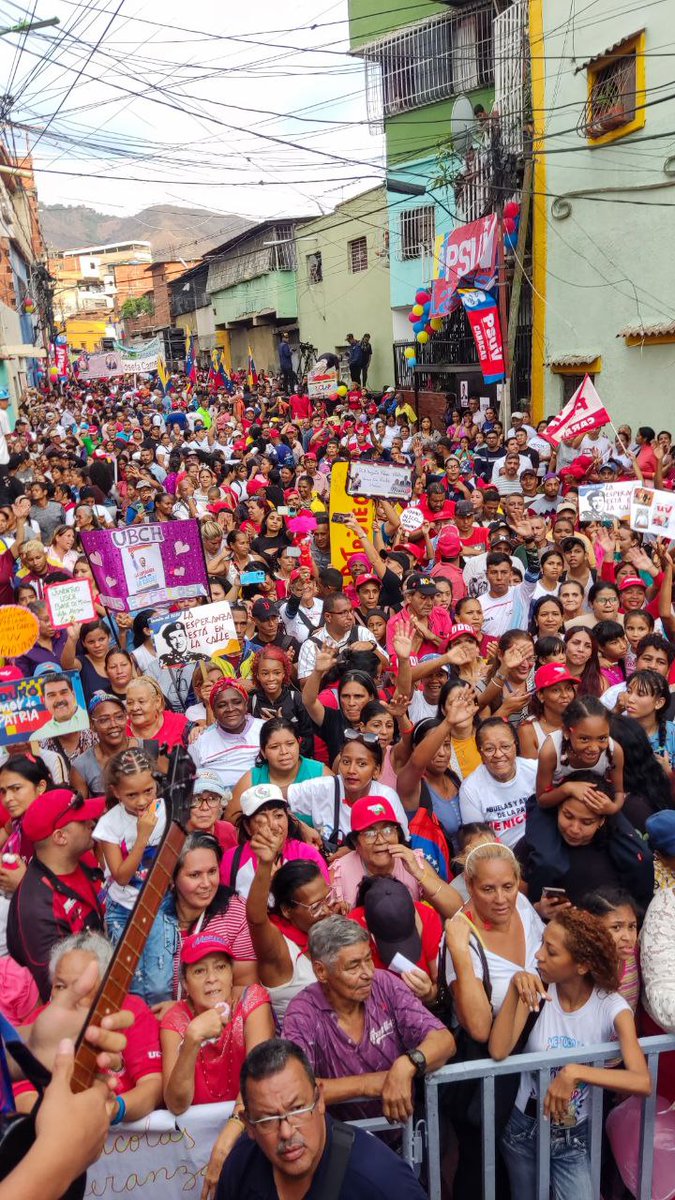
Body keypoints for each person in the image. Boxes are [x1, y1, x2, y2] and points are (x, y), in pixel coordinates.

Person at [490, 908, 650, 1200]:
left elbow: (641, 1081)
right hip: (522, 1127)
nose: (538, 956)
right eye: (541, 944)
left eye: (550, 951)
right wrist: (515, 989)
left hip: (573, 1134)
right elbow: (499, 1050)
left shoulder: (610, 1006)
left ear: (581, 966)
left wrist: (574, 1072)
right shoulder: (536, 990)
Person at [282, 915, 455, 1120]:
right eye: (354, 966)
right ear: (321, 971)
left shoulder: (384, 984)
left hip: (407, 1133)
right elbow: (295, 1089)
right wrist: (367, 1084)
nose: (368, 973)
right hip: (344, 1142)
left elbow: (444, 1041)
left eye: (368, 959)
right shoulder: (302, 1013)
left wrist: (405, 1065)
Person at [215, 1038, 430, 1200]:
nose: (286, 1132)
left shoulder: (381, 1179)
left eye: (298, 1109)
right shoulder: (242, 1164)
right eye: (267, 1120)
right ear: (249, 1125)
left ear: (319, 1100)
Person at [93, 748, 175, 1004]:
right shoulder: (109, 824)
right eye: (131, 794)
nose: (141, 801)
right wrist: (141, 837)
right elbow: (121, 876)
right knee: (132, 986)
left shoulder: (166, 809)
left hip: (158, 904)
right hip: (123, 909)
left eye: (148, 791)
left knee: (160, 986)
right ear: (116, 792)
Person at [7, 788, 105, 999]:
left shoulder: (81, 865)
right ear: (60, 837)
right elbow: (60, 994)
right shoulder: (38, 908)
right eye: (82, 821)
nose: (91, 822)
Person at [160, 932, 274, 1111]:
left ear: (231, 974)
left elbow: (260, 1078)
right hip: (197, 1133)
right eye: (199, 971)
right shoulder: (175, 1020)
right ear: (185, 984)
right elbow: (176, 1105)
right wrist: (193, 1037)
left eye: (220, 967)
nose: (212, 979)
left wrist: (230, 1133)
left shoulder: (252, 999)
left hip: (249, 1120)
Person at [330, 794, 460, 917]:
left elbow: (457, 910)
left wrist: (420, 874)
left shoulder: (412, 861)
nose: (381, 840)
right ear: (355, 841)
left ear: (398, 834)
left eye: (387, 830)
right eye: (370, 833)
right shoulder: (339, 872)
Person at [168, 832, 257, 994]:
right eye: (195, 875)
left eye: (212, 872)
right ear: (172, 878)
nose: (207, 884)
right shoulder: (152, 919)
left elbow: (244, 990)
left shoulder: (236, 914)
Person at [220, 783, 328, 897]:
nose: (273, 825)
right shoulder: (231, 859)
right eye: (262, 818)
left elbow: (324, 903)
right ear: (247, 827)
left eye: (278, 815)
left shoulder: (307, 855)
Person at [458, 718, 537, 848]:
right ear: (480, 751)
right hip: (501, 855)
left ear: (515, 745)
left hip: (536, 845)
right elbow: (477, 842)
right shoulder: (470, 788)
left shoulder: (534, 770)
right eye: (489, 749)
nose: (499, 754)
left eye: (505, 747)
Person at [189, 678, 264, 789]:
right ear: (213, 710)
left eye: (236, 702)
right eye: (222, 705)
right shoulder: (199, 740)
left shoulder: (264, 730)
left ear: (246, 704)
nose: (230, 709)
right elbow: (190, 780)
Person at [125, 676, 188, 748]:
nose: (134, 708)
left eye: (141, 702)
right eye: (130, 703)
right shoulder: (120, 731)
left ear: (157, 701)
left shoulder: (179, 723)